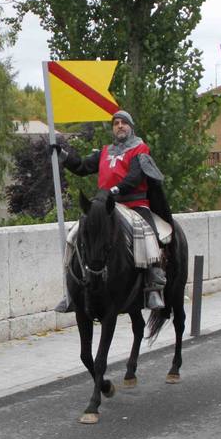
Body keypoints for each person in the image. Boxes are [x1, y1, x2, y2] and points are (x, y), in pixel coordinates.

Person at [50, 109, 172, 312]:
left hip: (134, 204)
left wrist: (114, 190)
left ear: (131, 127)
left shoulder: (140, 149)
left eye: (124, 123)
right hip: (106, 205)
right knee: (74, 235)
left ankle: (153, 286)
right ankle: (71, 290)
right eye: (116, 123)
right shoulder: (105, 151)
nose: (120, 126)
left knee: (149, 234)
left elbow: (134, 176)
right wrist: (61, 155)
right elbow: (81, 167)